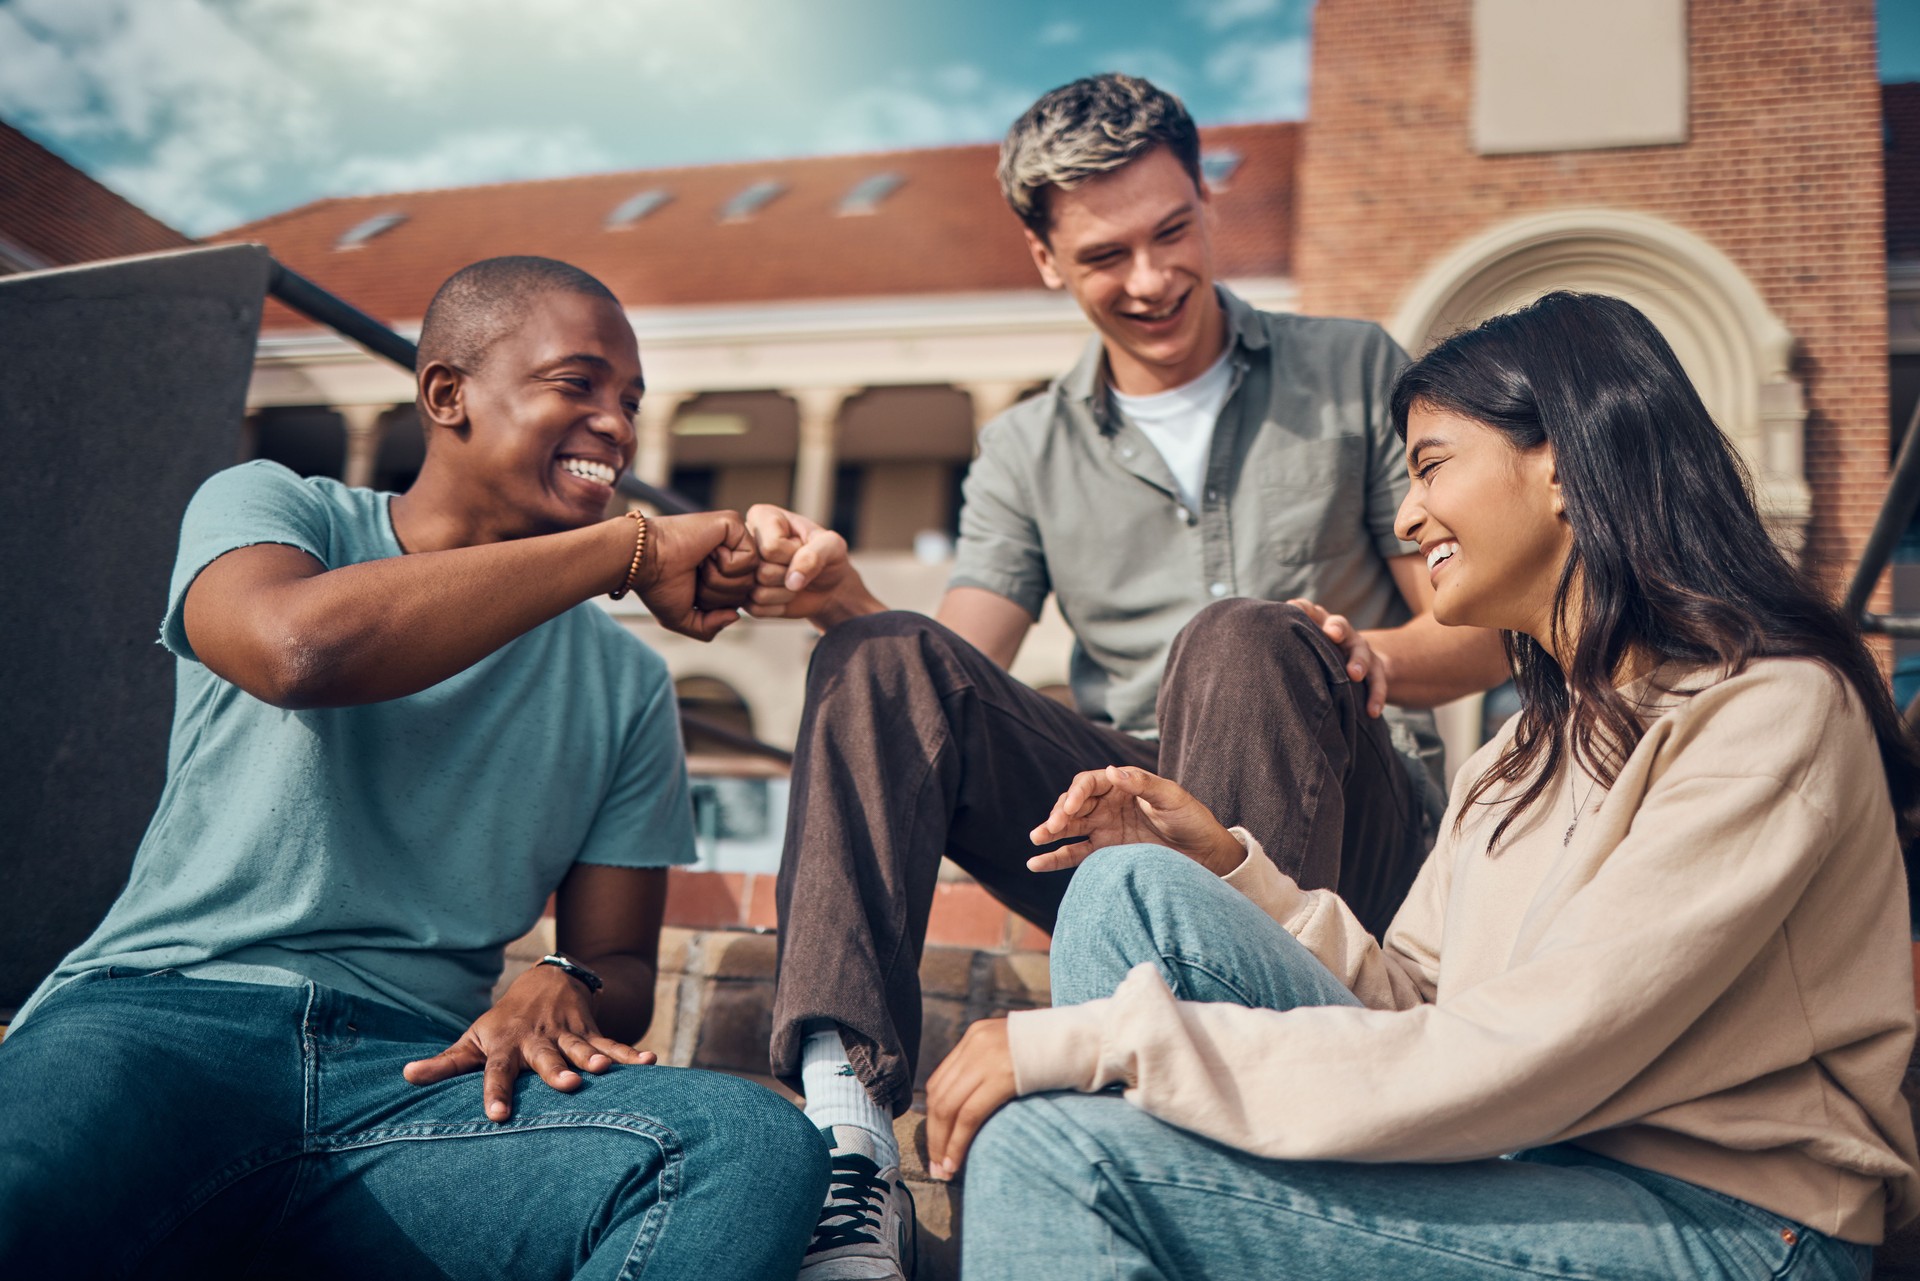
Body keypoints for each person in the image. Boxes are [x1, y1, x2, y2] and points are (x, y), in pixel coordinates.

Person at [925, 290, 1920, 1279]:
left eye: (1433, 466)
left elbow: (1531, 1052)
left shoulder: (1769, 711)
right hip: (1529, 1173)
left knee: (1059, 1150)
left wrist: (1105, 1044)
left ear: (1565, 465)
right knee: (1125, 884)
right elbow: (1414, 1006)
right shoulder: (1520, 755)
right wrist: (1231, 867)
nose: (1406, 515)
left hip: (1733, 1230)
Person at [742, 73, 1508, 1279]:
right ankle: (848, 1137)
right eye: (1106, 255)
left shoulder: (1355, 369)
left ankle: (1223, 1114)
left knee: (1243, 641)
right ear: (1046, 259)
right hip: (1135, 827)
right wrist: (840, 602)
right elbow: (952, 674)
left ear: (1205, 203)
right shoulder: (1024, 447)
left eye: (1173, 232)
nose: (1151, 281)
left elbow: (1482, 630)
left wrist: (1370, 653)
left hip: (1353, 828)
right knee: (882, 654)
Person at [0, 256, 828, 1279]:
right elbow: (295, 652)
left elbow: (620, 972)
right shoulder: (276, 511)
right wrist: (628, 552)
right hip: (160, 1026)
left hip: (417, 1085)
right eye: (577, 385)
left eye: (630, 402)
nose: (616, 425)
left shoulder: (625, 684)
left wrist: (560, 981)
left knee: (742, 1144)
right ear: (448, 395)